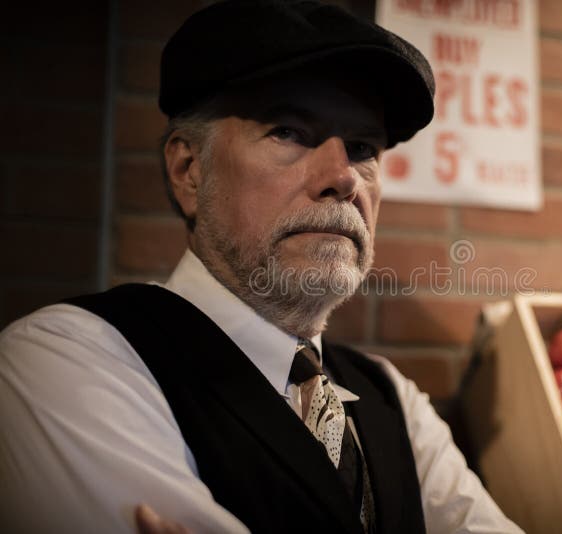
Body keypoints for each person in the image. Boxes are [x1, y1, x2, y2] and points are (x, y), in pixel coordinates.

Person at [0, 1, 523, 533]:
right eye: (289, 132)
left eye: (363, 146)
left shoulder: (391, 397)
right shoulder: (70, 358)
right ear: (189, 171)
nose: (343, 178)